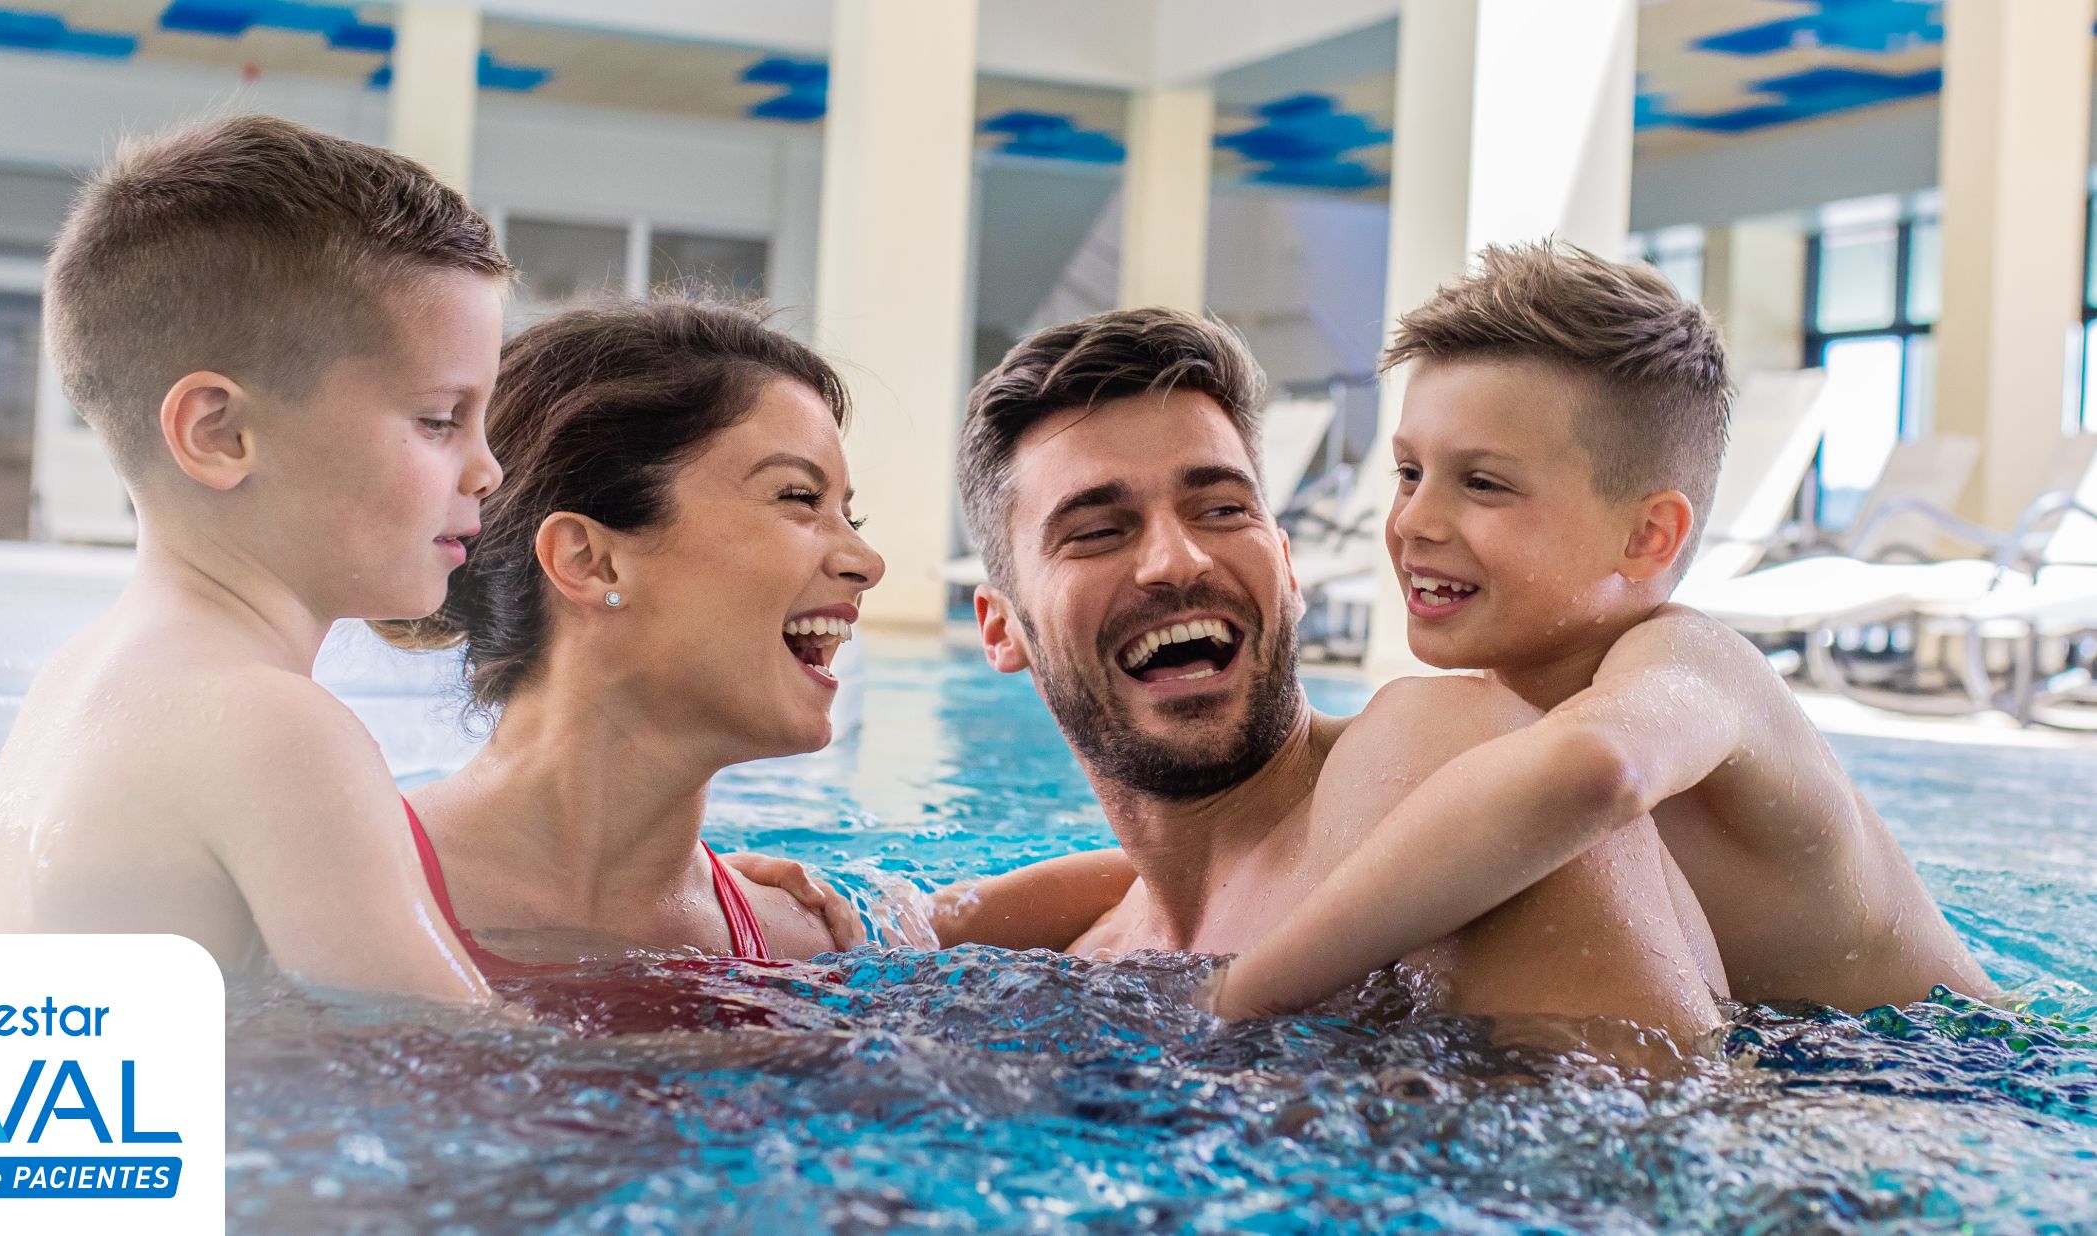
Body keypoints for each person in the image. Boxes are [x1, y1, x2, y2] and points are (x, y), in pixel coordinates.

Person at [1210, 242, 1994, 1019]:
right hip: (1795, 1061)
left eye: (1482, 484)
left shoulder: (1695, 664)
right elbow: (1297, 788)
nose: (1414, 519)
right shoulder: (1491, 708)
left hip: (1955, 1077)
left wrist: (1246, 991)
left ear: (1648, 536)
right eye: (1409, 473)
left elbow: (1593, 769)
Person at [952, 305, 1727, 1055]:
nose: (1177, 561)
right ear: (1001, 627)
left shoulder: (1432, 755)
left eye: (1221, 509)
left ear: (1286, 567)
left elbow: (1672, 1150)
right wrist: (920, 921)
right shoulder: (1094, 938)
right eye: (1096, 532)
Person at [0, 115, 505, 1003]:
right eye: (439, 418)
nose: (488, 467)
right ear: (221, 432)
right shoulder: (277, 730)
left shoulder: (84, 678)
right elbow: (476, 1073)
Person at [379, 298, 886, 970]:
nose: (866, 563)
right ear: (591, 561)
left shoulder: (808, 938)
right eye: (798, 498)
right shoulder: (330, 888)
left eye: (850, 517)